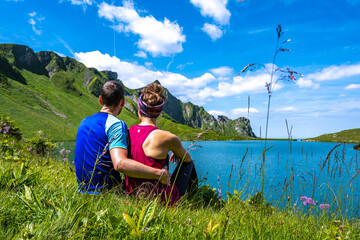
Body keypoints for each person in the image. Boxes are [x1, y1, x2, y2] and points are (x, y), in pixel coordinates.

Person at [74, 81, 171, 194]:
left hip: (82, 190)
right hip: (107, 193)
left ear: (100, 100)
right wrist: (159, 174)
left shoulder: (84, 122)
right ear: (122, 102)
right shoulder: (116, 124)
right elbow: (120, 163)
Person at [126, 82, 197, 203]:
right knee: (189, 164)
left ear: (139, 109)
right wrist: (176, 149)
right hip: (160, 199)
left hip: (133, 194)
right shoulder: (168, 137)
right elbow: (187, 159)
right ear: (159, 112)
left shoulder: (127, 132)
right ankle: (193, 200)